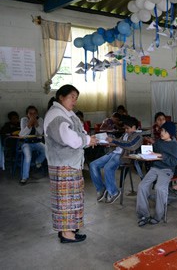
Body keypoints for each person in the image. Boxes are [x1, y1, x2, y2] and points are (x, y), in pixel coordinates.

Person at [44, 84, 97, 243]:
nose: (74, 101)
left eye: (76, 98)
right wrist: (87, 140)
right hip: (63, 164)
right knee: (66, 200)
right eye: (72, 97)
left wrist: (87, 139)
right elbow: (69, 138)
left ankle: (68, 231)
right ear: (61, 97)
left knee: (71, 199)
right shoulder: (56, 114)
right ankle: (67, 234)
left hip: (70, 164)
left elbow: (78, 131)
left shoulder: (66, 113)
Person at [90, 116, 143, 204]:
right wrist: (106, 141)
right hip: (114, 153)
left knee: (108, 167)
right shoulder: (126, 134)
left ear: (134, 127)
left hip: (124, 156)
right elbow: (119, 142)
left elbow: (130, 145)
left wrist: (114, 141)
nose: (125, 130)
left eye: (127, 128)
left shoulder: (138, 136)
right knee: (93, 165)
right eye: (125, 128)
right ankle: (101, 188)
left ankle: (113, 192)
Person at [137, 121, 177, 226]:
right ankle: (144, 214)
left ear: (170, 133)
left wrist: (160, 156)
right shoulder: (159, 142)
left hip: (167, 170)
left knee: (159, 188)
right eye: (162, 130)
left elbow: (174, 162)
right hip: (155, 168)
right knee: (142, 186)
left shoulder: (175, 145)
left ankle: (158, 216)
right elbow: (153, 151)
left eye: (165, 131)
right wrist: (148, 151)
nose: (162, 133)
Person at [18, 105, 46, 185]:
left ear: (37, 114)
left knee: (46, 149)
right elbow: (22, 134)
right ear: (27, 114)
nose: (33, 115)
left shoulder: (40, 119)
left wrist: (35, 122)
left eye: (34, 113)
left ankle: (38, 161)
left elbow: (40, 132)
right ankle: (24, 177)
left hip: (37, 142)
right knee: (28, 156)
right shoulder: (24, 120)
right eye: (30, 113)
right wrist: (30, 123)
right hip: (26, 143)